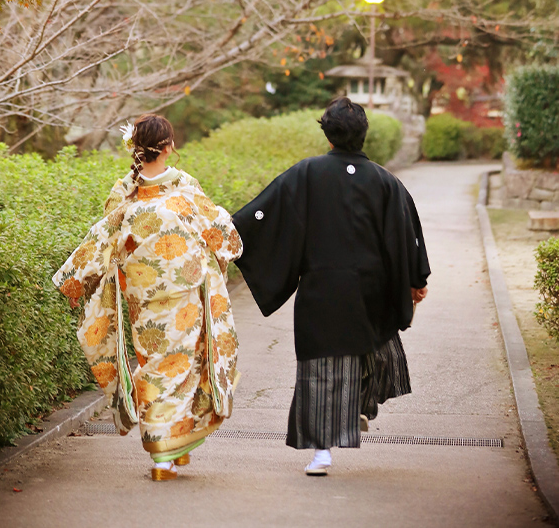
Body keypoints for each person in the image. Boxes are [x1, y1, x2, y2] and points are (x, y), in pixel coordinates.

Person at [232, 96, 430, 476]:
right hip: (372, 290)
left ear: (328, 135)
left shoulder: (306, 174)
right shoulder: (386, 181)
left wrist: (225, 233)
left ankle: (321, 452)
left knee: (321, 369)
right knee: (370, 348)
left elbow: (261, 215)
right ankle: (357, 406)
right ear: (364, 134)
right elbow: (407, 235)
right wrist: (415, 279)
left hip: (322, 289)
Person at [53, 113, 243, 481]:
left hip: (141, 299)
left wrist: (75, 281)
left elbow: (103, 239)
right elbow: (219, 231)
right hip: (184, 295)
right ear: (169, 146)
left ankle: (170, 447)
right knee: (184, 367)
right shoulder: (184, 188)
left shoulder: (124, 193)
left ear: (136, 147)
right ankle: (163, 454)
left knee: (157, 367)